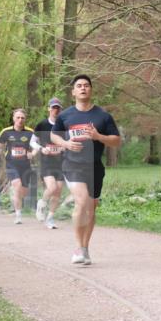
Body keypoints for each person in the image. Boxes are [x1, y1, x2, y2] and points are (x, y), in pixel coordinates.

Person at [51, 75, 121, 265]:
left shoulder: (103, 116)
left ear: (91, 90)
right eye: (79, 86)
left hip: (95, 166)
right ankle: (77, 248)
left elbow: (116, 140)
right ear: (73, 91)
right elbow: (54, 135)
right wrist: (65, 143)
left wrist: (99, 136)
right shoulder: (65, 116)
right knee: (81, 201)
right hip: (72, 165)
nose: (83, 88)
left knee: (91, 208)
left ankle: (85, 248)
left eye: (86, 86)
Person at [0, 109, 38, 225]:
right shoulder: (6, 132)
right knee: (17, 186)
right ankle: (18, 215)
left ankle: (15, 197)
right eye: (18, 117)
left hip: (25, 165)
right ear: (13, 118)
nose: (20, 120)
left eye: (22, 118)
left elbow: (36, 147)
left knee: (24, 192)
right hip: (11, 164)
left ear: (25, 119)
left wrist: (33, 153)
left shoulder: (30, 132)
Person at [34, 98, 66, 229]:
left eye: (58, 108)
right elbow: (32, 142)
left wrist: (64, 147)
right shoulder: (42, 125)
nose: (56, 110)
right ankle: (41, 204)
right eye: (53, 107)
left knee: (58, 192)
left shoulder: (64, 126)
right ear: (49, 109)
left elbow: (68, 141)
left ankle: (50, 218)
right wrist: (42, 148)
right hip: (46, 162)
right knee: (52, 188)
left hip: (60, 163)